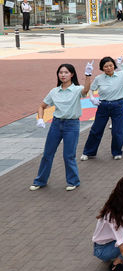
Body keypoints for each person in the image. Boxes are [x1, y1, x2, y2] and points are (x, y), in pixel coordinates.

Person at [29, 63, 92, 191]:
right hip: (56, 124)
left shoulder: (77, 89)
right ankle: (40, 181)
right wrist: (40, 118)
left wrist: (88, 75)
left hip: (72, 125)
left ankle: (73, 181)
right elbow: (42, 106)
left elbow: (85, 91)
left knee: (68, 155)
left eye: (66, 72)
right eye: (61, 72)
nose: (63, 75)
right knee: (47, 154)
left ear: (72, 74)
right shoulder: (54, 91)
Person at [81, 56, 123, 161]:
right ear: (102, 68)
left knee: (118, 130)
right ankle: (88, 152)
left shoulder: (121, 74)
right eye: (105, 66)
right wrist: (92, 98)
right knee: (96, 130)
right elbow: (91, 89)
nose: (108, 68)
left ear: (114, 65)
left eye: (110, 65)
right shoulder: (99, 78)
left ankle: (117, 152)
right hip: (103, 105)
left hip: (118, 105)